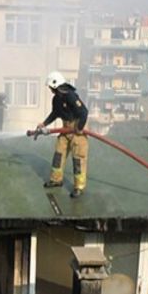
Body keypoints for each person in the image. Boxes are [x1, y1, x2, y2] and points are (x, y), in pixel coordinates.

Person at [37, 70, 90, 198]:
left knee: (78, 159)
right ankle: (56, 180)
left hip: (77, 130)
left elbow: (84, 112)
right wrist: (44, 124)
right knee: (58, 154)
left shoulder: (70, 96)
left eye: (50, 87)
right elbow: (55, 113)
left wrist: (79, 128)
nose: (50, 89)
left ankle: (79, 187)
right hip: (65, 129)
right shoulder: (56, 99)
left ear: (55, 85)